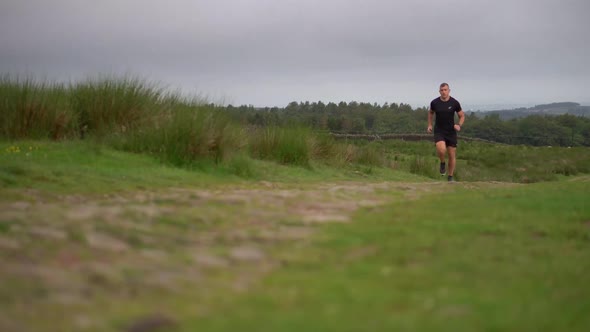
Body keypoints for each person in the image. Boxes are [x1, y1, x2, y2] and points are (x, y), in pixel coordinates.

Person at [427, 83, 465, 182]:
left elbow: (462, 115)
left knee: (452, 155)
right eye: (442, 90)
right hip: (439, 130)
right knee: (441, 149)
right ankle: (442, 162)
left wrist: (459, 125)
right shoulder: (434, 102)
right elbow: (431, 113)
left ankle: (450, 177)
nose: (444, 92)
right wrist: (430, 125)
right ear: (439, 91)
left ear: (449, 90)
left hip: (451, 132)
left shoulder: (455, 103)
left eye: (445, 90)